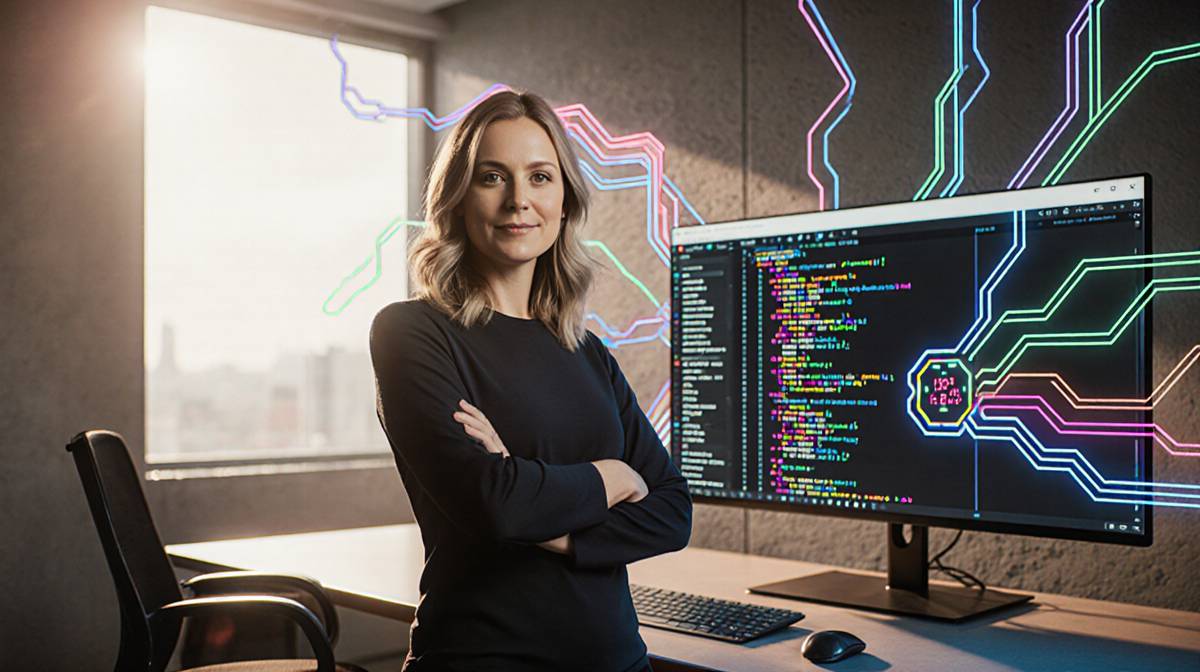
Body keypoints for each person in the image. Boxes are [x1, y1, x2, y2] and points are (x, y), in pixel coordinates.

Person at [369, 89, 693, 672]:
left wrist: (532, 502)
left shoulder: (587, 352)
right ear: (458, 200)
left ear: (564, 202)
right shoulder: (411, 332)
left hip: (620, 664)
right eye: (492, 177)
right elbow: (492, 504)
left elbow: (672, 512)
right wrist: (613, 476)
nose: (519, 199)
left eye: (540, 177)